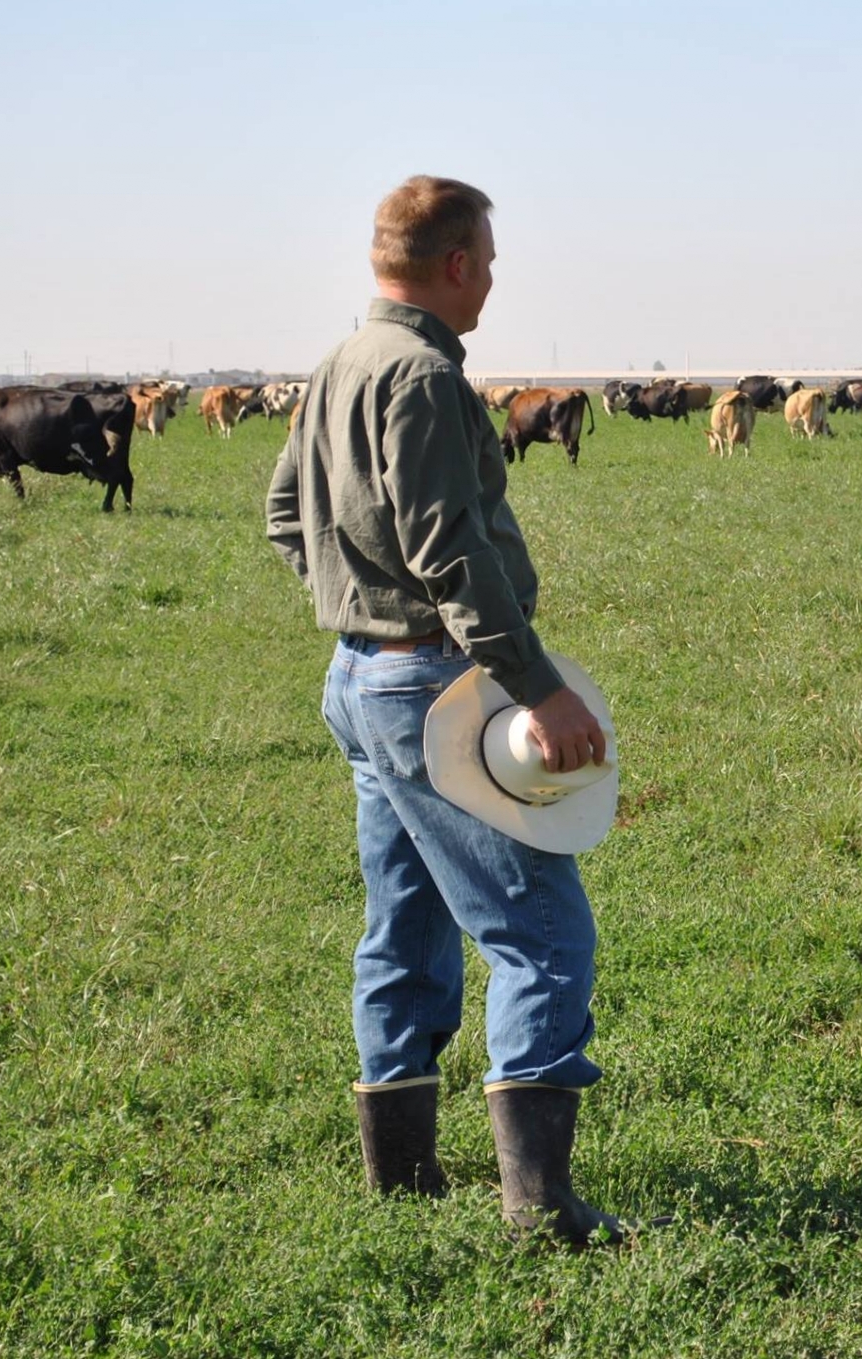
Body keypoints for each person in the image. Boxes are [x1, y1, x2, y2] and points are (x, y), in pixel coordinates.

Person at [267, 175, 630, 1248]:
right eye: (492, 261)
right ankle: (540, 1209)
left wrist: (354, 608)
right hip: (431, 686)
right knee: (541, 932)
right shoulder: (422, 375)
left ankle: (405, 1182)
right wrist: (537, 686)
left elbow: (287, 511)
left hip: (361, 678)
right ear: (460, 262)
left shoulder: (339, 362)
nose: (494, 281)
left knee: (406, 921)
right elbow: (450, 554)